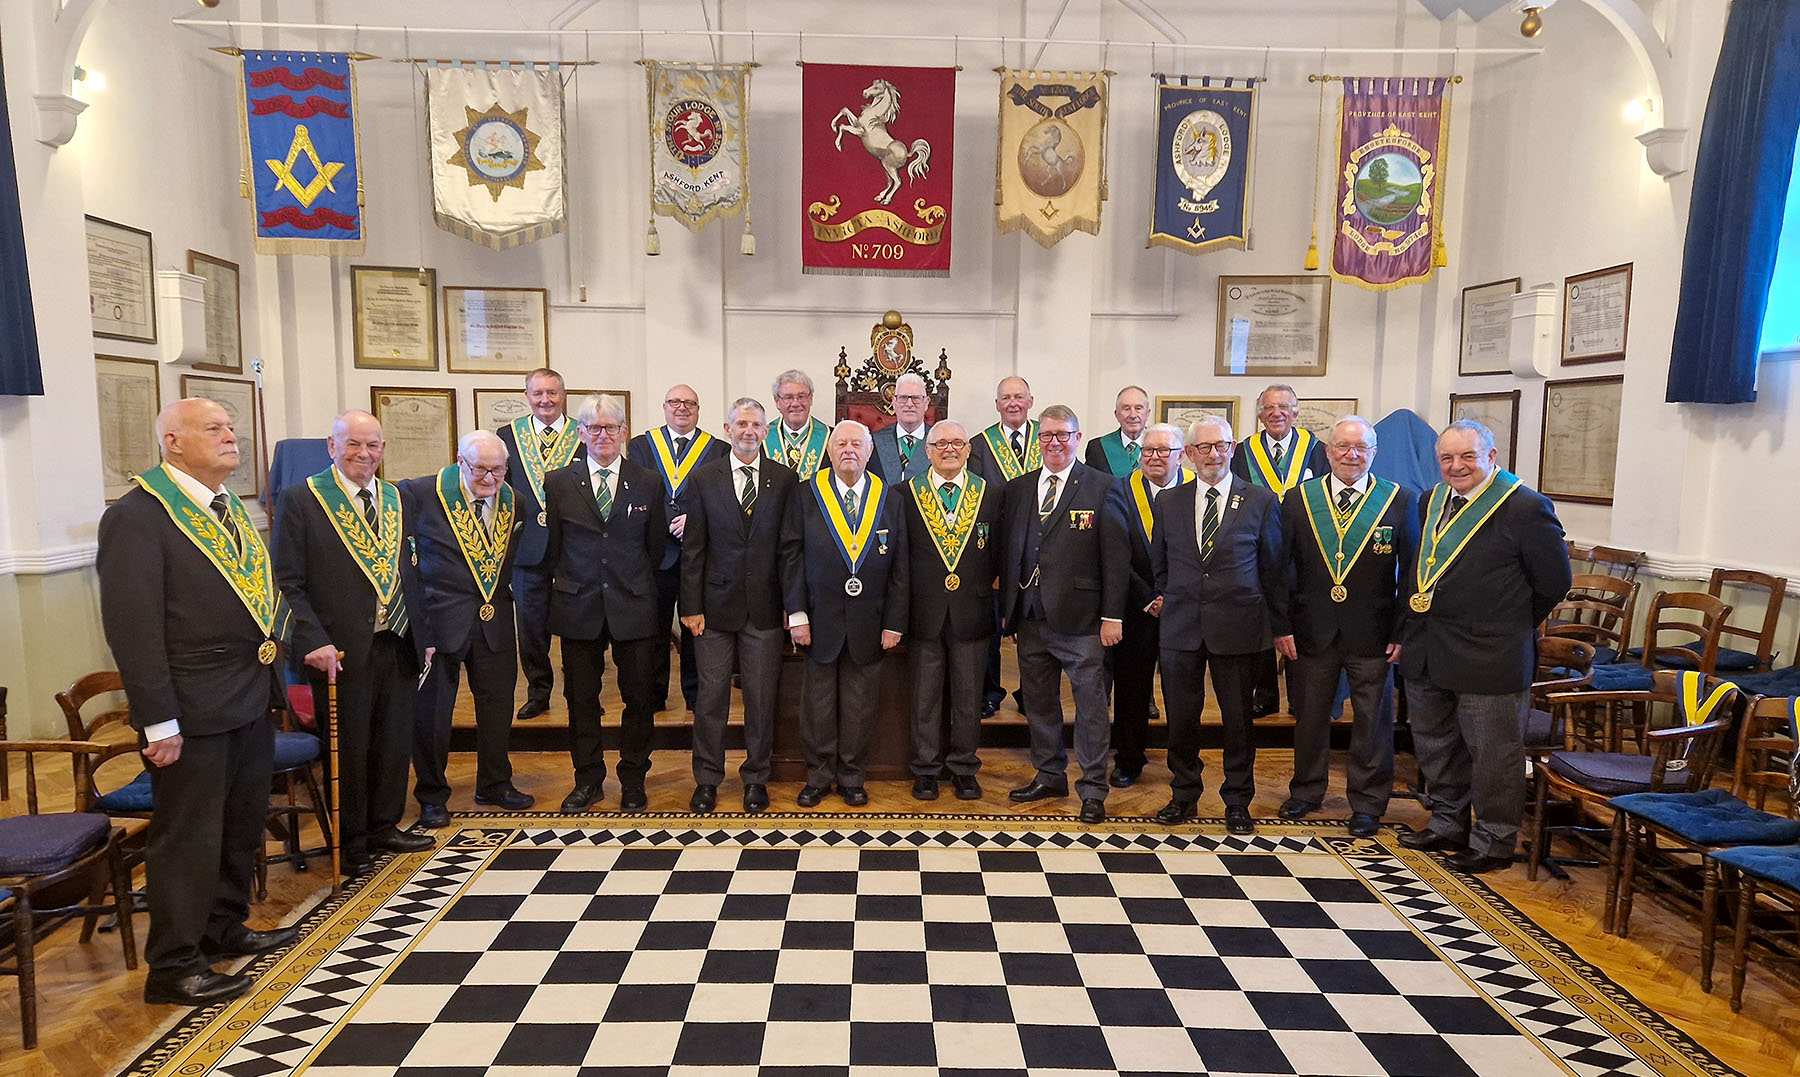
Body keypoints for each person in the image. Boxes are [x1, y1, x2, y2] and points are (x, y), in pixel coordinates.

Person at [98, 398, 300, 1007]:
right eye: (214, 428)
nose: (231, 437)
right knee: (188, 838)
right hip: (189, 706)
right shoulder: (139, 515)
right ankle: (174, 964)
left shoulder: (224, 508)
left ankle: (220, 928)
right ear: (173, 443)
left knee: (239, 826)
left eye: (231, 427)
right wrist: (158, 719)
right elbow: (133, 629)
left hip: (245, 695)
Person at [1396, 419, 1572, 873]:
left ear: (1492, 457)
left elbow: (1554, 582)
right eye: (1447, 459)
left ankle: (1494, 839)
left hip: (1491, 654)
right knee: (1436, 744)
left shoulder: (1526, 507)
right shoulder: (1431, 501)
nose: (1457, 467)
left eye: (1468, 457)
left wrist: (1506, 623)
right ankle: (1448, 821)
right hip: (1431, 647)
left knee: (1493, 752)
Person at [275, 410, 435, 878]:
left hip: (396, 640)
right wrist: (313, 641)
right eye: (353, 444)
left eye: (373, 446)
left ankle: (385, 824)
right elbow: (287, 581)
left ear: (383, 450)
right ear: (332, 445)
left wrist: (422, 637)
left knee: (392, 740)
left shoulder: (397, 498)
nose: (364, 454)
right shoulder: (302, 500)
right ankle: (353, 837)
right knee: (352, 745)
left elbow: (411, 571)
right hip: (338, 652)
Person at [1278, 417, 1419, 837]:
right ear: (1327, 451)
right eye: (1342, 447)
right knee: (1309, 717)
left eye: (1360, 448)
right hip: (1310, 631)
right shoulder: (1299, 500)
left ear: (1373, 453)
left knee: (1373, 723)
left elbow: (1412, 572)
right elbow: (1280, 568)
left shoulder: (1398, 500)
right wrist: (1281, 625)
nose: (1351, 455)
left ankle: (1369, 803)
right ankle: (1305, 791)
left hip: (1374, 634)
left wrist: (1402, 630)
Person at [1152, 415, 1287, 835]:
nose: (1214, 454)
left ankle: (1237, 800)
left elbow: (1275, 568)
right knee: (1182, 717)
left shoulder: (1260, 500)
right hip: (1181, 627)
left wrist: (1278, 627)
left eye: (1222, 445)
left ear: (1233, 449)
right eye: (1204, 447)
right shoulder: (1169, 502)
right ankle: (1184, 793)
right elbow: (1160, 564)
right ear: (1189, 455)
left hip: (1239, 626)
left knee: (1238, 720)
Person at [998, 405, 1126, 825]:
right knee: (1038, 703)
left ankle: (1092, 787)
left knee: (1089, 707)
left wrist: (1112, 616)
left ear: (1077, 437)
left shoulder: (1104, 486)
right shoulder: (1019, 488)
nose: (1055, 442)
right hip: (1031, 618)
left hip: (1083, 621)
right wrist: (1010, 614)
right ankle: (1049, 773)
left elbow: (1116, 558)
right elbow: (1012, 550)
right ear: (1039, 440)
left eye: (1063, 435)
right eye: (1048, 435)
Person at [680, 398, 806, 814]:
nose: (749, 430)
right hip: (713, 610)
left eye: (756, 425)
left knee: (760, 699)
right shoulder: (703, 479)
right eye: (741, 424)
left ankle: (756, 778)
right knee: (711, 700)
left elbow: (790, 549)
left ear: (766, 431)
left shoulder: (784, 479)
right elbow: (693, 549)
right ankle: (707, 779)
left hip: (766, 610)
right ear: (727, 428)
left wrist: (794, 605)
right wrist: (691, 606)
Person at [402, 430, 533, 826]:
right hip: (439, 621)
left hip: (494, 620)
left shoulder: (516, 503)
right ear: (460, 461)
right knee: (434, 712)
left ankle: (494, 782)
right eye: (481, 469)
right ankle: (432, 794)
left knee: (497, 706)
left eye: (498, 470)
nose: (490, 479)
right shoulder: (420, 494)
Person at [545, 395, 666, 815]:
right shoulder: (558, 482)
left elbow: (654, 548)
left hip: (633, 605)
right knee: (581, 700)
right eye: (593, 428)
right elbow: (554, 548)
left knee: (639, 699)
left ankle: (633, 779)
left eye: (611, 427)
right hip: (578, 606)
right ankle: (588, 780)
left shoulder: (648, 481)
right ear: (579, 433)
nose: (602, 435)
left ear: (623, 432)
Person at [790, 420, 909, 807]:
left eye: (857, 444)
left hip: (870, 622)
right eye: (840, 444)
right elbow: (790, 558)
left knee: (860, 705)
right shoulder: (807, 495)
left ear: (870, 451)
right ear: (828, 451)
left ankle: (853, 777)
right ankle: (819, 776)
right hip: (818, 620)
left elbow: (900, 568)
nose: (849, 451)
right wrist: (796, 614)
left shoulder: (889, 497)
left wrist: (894, 622)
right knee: (818, 706)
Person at [901, 420, 1003, 801]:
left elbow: (1000, 555)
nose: (949, 448)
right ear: (926, 450)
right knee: (924, 698)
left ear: (967, 450)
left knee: (967, 697)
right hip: (923, 614)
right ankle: (925, 770)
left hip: (972, 612)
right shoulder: (906, 494)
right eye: (940, 443)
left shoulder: (991, 495)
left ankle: (964, 768)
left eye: (957, 442)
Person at [1230, 384, 1328, 718]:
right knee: (1262, 618)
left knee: (1303, 619)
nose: (1277, 413)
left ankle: (1302, 695)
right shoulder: (1243, 452)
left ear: (1296, 412)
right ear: (1259, 414)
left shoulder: (1318, 451)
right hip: (1258, 545)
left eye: (1284, 407)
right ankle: (1266, 692)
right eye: (1269, 407)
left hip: (1307, 548)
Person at [627, 384, 726, 714]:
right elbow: (639, 491)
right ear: (664, 407)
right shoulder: (641, 446)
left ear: (698, 409)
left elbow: (718, 500)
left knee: (696, 627)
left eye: (689, 403)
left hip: (699, 554)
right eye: (675, 402)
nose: (682, 408)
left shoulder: (718, 450)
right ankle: (655, 694)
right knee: (654, 627)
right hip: (655, 552)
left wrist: (694, 520)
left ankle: (695, 694)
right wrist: (671, 518)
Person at [1103, 421, 1189, 788]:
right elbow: (1114, 554)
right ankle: (1128, 759)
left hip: (1184, 609)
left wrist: (1171, 596)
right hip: (1134, 608)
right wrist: (1148, 598)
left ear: (1180, 455)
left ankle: (1184, 765)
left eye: (1163, 451)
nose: (1154, 457)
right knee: (1131, 690)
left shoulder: (1196, 492)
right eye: (1148, 450)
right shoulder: (1118, 491)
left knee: (1183, 693)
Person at [495, 368, 585, 720]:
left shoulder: (584, 432)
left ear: (564, 395)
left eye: (552, 393)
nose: (545, 400)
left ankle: (582, 692)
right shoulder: (507, 435)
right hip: (526, 547)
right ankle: (539, 691)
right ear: (527, 395)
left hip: (573, 548)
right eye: (537, 393)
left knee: (579, 624)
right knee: (530, 626)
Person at [967, 375, 1038, 717]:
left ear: (1030, 401)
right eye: (1006, 397)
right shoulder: (979, 445)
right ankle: (990, 691)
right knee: (993, 625)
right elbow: (979, 501)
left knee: (1035, 624)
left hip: (1041, 549)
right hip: (997, 548)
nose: (1012, 402)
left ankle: (1032, 691)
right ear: (997, 404)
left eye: (1019, 396)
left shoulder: (1049, 437)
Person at [869, 372, 933, 484]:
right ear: (894, 402)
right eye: (903, 398)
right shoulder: (873, 443)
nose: (909, 404)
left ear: (926, 403)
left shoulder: (939, 443)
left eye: (916, 398)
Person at [763, 369, 831, 475]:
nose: (795, 403)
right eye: (788, 397)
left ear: (811, 399)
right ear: (777, 402)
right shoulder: (762, 438)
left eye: (801, 397)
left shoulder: (831, 439)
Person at [1085, 385, 1151, 476]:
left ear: (1147, 413)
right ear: (1117, 415)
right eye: (1126, 409)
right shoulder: (1098, 448)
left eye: (1138, 408)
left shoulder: (1163, 448)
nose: (1132, 415)